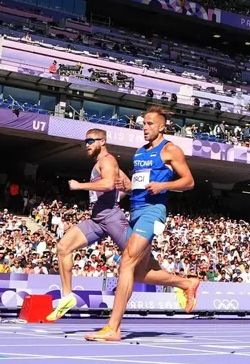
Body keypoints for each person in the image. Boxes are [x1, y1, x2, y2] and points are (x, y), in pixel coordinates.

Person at [47, 128, 199, 322]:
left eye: (91, 141)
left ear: (103, 141)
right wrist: (124, 188)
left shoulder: (107, 161)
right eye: (85, 141)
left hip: (112, 219)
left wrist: (80, 185)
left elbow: (109, 185)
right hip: (97, 219)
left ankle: (184, 284)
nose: (87, 145)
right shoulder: (103, 163)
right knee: (63, 247)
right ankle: (67, 297)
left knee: (140, 271)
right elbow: (126, 186)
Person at [85, 107, 198, 341]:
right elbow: (138, 184)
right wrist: (123, 186)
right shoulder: (139, 153)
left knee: (126, 263)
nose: (144, 128)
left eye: (149, 124)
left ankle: (113, 328)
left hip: (152, 212)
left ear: (161, 126)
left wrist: (163, 187)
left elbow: (189, 181)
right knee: (140, 273)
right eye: (143, 124)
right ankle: (186, 283)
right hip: (135, 211)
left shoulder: (170, 150)